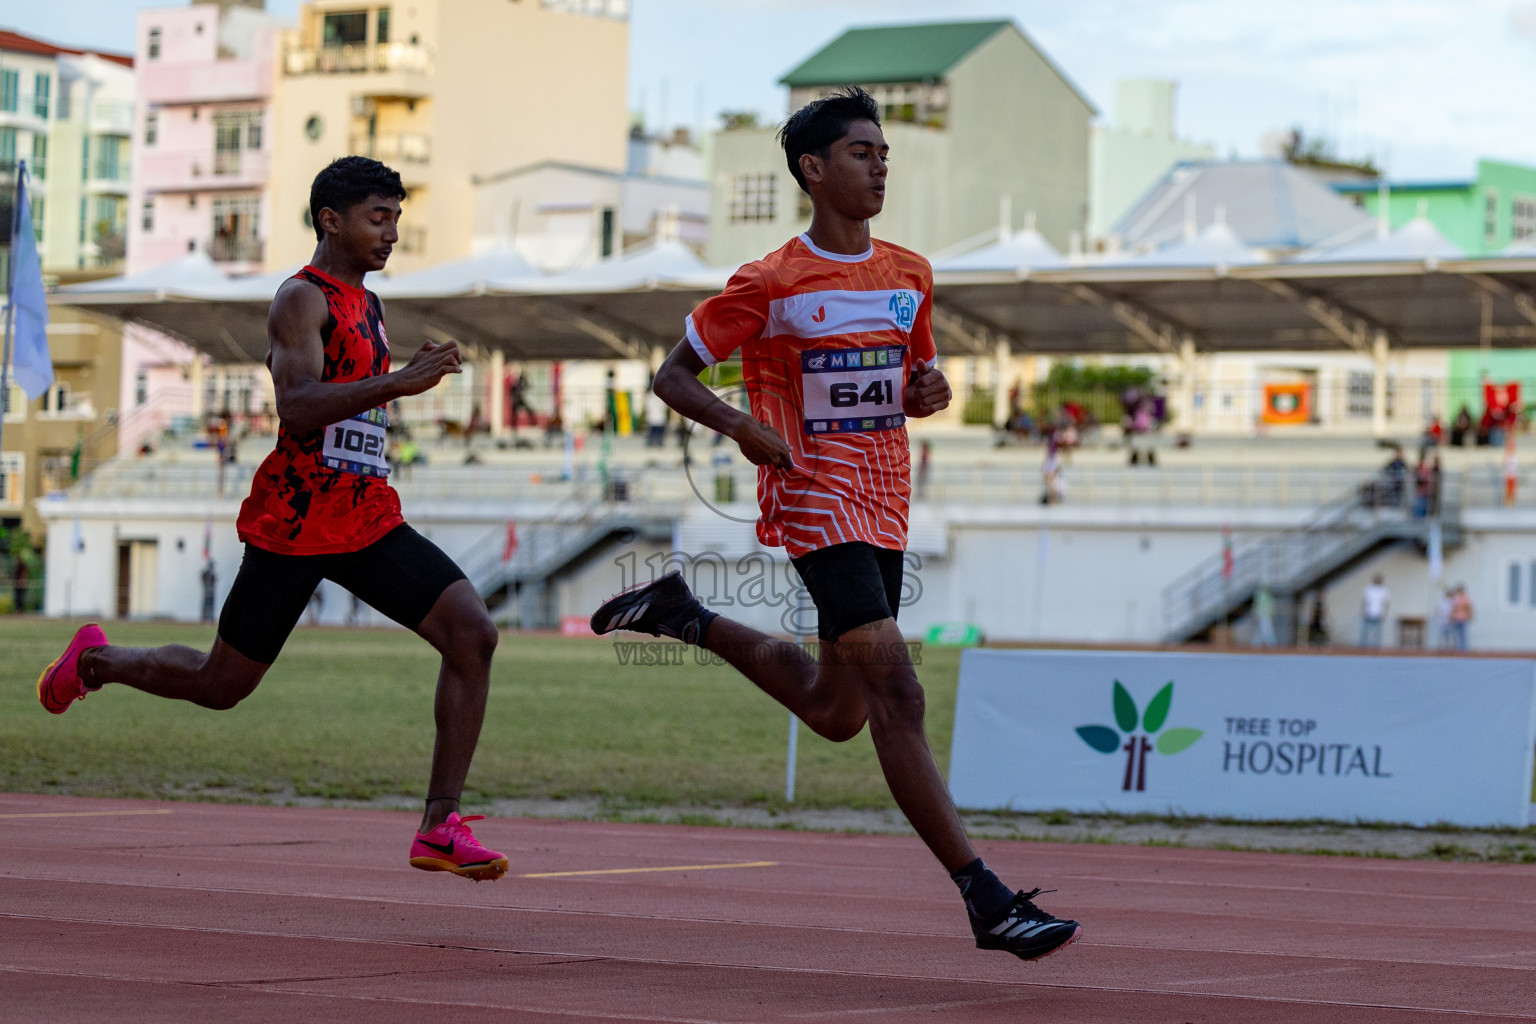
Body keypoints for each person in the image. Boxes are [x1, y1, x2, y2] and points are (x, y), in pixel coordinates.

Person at [588, 88, 1080, 963]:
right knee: (902, 694)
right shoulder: (770, 282)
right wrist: (741, 424)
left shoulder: (910, 274)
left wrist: (929, 394)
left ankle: (682, 615)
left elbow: (917, 384)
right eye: (862, 152)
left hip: (886, 502)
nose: (881, 164)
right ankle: (986, 899)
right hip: (817, 505)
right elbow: (671, 377)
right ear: (813, 171)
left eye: (885, 153)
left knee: (835, 711)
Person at [35, 156, 507, 883]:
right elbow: (298, 404)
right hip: (296, 520)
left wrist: (391, 386)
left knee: (472, 634)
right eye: (378, 218)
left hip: (365, 514)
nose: (391, 234)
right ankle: (95, 662)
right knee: (220, 686)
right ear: (331, 220)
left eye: (396, 219)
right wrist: (401, 381)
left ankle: (440, 824)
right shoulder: (300, 299)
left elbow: (353, 403)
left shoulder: (368, 303)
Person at [1359, 574, 1389, 647]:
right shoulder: (1369, 588)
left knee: (1377, 632)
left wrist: (1385, 613)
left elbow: (1386, 602)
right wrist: (1362, 611)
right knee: (1365, 630)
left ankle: (1376, 647)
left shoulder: (1383, 590)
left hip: (1379, 613)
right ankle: (1363, 646)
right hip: (1368, 612)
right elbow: (1364, 600)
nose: (1377, 580)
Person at [1450, 584, 1473, 650]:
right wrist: (1452, 616)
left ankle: (1464, 648)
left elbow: (1468, 608)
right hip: (1457, 618)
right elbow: (1453, 608)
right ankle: (1458, 648)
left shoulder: (1466, 598)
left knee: (1464, 634)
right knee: (1457, 634)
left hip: (1464, 618)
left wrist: (1470, 615)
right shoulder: (1456, 598)